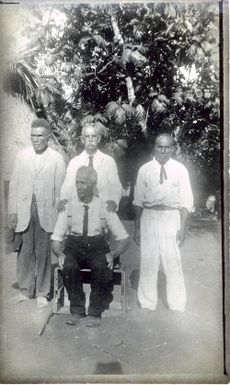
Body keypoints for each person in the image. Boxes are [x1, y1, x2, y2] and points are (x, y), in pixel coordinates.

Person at [51, 166, 129, 327]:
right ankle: (77, 311)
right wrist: (60, 253)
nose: (79, 186)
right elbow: (56, 239)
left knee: (101, 266)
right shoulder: (68, 206)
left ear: (93, 185)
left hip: (97, 247)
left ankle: (94, 313)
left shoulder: (105, 207)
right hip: (74, 246)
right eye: (77, 182)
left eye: (84, 183)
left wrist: (112, 255)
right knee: (69, 265)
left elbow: (124, 238)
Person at [8, 118, 66, 307]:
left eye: (40, 135)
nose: (36, 139)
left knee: (43, 252)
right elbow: (14, 186)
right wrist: (13, 211)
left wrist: (60, 217)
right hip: (25, 209)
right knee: (25, 251)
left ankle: (43, 291)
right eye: (33, 136)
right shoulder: (21, 156)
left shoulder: (56, 158)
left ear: (48, 136)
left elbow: (60, 191)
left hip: (46, 211)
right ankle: (26, 290)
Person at [133, 133, 193, 312]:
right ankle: (147, 302)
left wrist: (182, 227)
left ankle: (177, 303)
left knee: (172, 261)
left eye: (167, 147)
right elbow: (137, 201)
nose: (163, 150)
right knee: (148, 260)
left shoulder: (180, 170)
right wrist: (137, 227)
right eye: (160, 146)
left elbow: (186, 202)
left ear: (173, 149)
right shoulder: (144, 170)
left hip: (171, 216)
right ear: (154, 148)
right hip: (149, 216)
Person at [58, 122, 122, 213]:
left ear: (99, 139)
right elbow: (66, 188)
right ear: (82, 140)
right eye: (87, 136)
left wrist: (113, 202)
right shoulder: (74, 163)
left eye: (94, 136)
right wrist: (63, 200)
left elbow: (116, 187)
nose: (91, 139)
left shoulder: (108, 162)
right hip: (79, 213)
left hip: (102, 212)